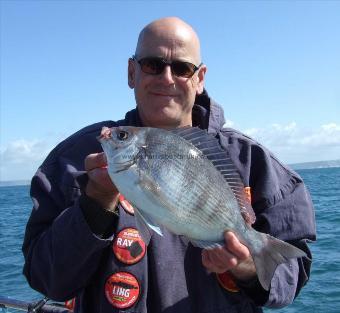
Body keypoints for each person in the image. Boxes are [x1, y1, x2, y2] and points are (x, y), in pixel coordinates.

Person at [22, 17, 316, 313]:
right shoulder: (75, 159)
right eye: (152, 64)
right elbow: (44, 277)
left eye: (182, 68)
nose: (166, 77)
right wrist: (96, 203)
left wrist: (248, 266)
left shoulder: (253, 162)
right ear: (131, 72)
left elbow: (293, 270)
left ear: (200, 78)